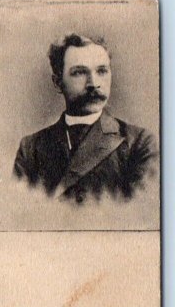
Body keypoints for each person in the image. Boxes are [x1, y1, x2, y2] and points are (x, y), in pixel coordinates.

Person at [13, 34, 158, 204]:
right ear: (58, 82)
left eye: (102, 71)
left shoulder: (138, 142)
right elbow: (19, 211)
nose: (93, 83)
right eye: (79, 72)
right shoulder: (30, 148)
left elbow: (139, 214)